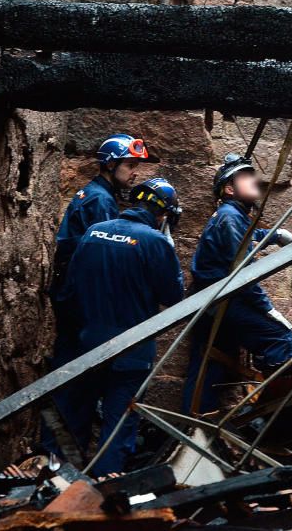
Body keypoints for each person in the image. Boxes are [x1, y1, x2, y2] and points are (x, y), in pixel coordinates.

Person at [52, 177, 185, 476]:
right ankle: (104, 487)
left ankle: (61, 482)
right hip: (131, 351)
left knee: (75, 414)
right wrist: (167, 247)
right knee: (119, 424)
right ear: (163, 214)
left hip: (87, 344)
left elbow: (71, 286)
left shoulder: (93, 233)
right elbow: (173, 296)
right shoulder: (155, 242)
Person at [42, 134, 158, 459]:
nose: (135, 173)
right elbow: (102, 257)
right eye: (131, 165)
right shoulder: (100, 202)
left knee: (80, 381)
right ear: (112, 163)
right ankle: (57, 457)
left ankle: (64, 458)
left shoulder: (97, 195)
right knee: (75, 382)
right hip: (82, 302)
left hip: (76, 296)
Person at [182, 153, 292, 414]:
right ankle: (275, 420)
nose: (255, 180)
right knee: (279, 339)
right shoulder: (229, 217)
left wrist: (273, 235)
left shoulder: (231, 216)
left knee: (207, 369)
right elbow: (242, 272)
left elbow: (247, 234)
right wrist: (266, 308)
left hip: (210, 304)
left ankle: (195, 428)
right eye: (246, 176)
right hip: (223, 299)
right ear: (229, 188)